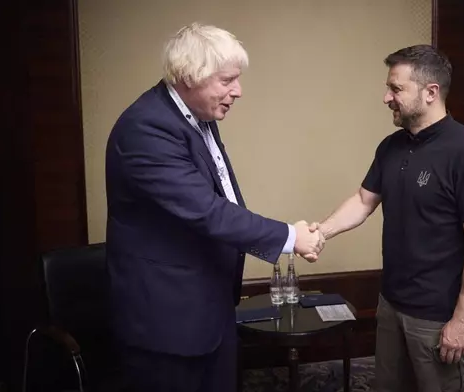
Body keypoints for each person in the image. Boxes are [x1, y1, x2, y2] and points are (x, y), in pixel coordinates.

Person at [104, 22, 324, 392]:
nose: (237, 91)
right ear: (190, 76)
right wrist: (290, 236)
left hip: (209, 305)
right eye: (227, 80)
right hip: (167, 323)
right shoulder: (146, 130)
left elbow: (223, 199)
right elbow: (207, 210)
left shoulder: (195, 118)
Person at [308, 45, 464, 391]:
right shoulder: (391, 146)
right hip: (390, 302)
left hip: (435, 314)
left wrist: (462, 320)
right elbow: (363, 200)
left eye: (396, 88)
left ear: (431, 93)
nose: (386, 97)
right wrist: (321, 232)